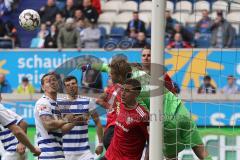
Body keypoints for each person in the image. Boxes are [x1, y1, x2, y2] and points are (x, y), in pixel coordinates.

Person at [34, 72, 80, 159]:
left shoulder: (56, 104)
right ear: (43, 87)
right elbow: (48, 125)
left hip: (58, 152)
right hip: (48, 154)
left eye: (54, 80)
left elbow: (61, 130)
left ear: (58, 85)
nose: (52, 82)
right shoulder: (43, 102)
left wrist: (75, 121)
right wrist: (66, 119)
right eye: (48, 81)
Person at [58, 75, 103, 160]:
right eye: (68, 85)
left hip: (84, 153)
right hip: (64, 153)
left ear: (77, 85)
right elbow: (56, 126)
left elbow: (97, 122)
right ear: (64, 88)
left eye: (73, 83)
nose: (71, 87)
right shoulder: (59, 104)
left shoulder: (88, 101)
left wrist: (100, 144)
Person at [103, 79, 149, 160]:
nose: (123, 94)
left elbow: (151, 142)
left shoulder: (142, 115)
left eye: (127, 91)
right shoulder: (120, 104)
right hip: (109, 156)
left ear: (136, 94)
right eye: (123, 90)